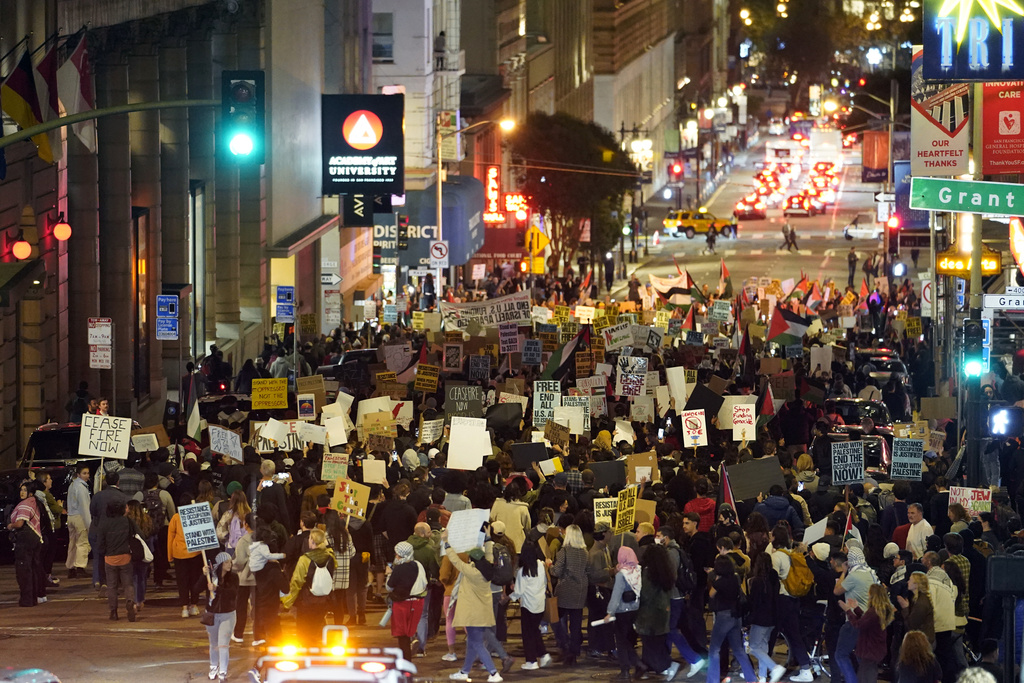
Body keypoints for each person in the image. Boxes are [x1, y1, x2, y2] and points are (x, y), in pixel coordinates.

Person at [441, 530, 503, 683]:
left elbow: (455, 561)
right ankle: (464, 671)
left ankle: (494, 673)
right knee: (471, 644)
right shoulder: (486, 569)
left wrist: (446, 542)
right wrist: (488, 537)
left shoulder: (472, 571)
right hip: (482, 613)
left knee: (476, 644)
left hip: (472, 614)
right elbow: (488, 553)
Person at [281, 528, 336, 646]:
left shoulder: (305, 559)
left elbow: (297, 581)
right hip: (324, 600)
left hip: (306, 601)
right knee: (317, 630)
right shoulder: (330, 557)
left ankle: (307, 657)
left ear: (312, 541)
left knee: (304, 634)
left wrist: (288, 600)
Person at [705, 555, 755, 683]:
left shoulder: (719, 581)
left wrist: (713, 578)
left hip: (723, 616)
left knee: (714, 649)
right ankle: (751, 677)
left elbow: (711, 594)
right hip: (735, 616)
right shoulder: (735, 578)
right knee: (738, 649)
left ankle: (712, 680)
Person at [636, 543, 678, 680]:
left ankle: (663, 665)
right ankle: (648, 668)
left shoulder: (649, 572)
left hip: (649, 613)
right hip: (663, 611)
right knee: (657, 642)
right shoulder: (665, 572)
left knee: (649, 644)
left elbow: (645, 594)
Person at [95, 499, 141, 621]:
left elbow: (99, 544)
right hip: (125, 556)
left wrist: (104, 552)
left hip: (110, 558)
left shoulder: (104, 524)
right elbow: (140, 534)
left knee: (112, 586)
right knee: (128, 584)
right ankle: (130, 602)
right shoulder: (127, 521)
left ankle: (113, 612)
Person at [550, 524, 589, 666]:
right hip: (580, 591)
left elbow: (556, 572)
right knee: (576, 623)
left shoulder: (564, 551)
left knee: (556, 619)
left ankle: (564, 646)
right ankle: (574, 651)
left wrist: (549, 566)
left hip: (566, 590)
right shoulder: (585, 552)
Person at [842, 582, 895, 683]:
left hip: (869, 648)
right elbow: (866, 621)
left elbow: (859, 625)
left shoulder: (873, 611)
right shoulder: (880, 611)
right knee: (866, 674)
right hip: (876, 648)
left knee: (865, 676)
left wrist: (848, 611)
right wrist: (856, 609)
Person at [746, 552, 785, 683]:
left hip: (760, 618)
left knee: (753, 646)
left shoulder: (757, 581)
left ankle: (774, 667)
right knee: (763, 646)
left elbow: (754, 602)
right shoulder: (775, 579)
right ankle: (762, 676)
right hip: (773, 617)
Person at [7, 480, 46, 607]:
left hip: (25, 538)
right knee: (33, 568)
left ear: (30, 493)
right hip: (35, 538)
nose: (22, 492)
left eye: (25, 490)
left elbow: (19, 523)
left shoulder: (25, 504)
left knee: (24, 570)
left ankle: (27, 599)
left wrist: (10, 525)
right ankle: (33, 597)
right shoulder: (34, 502)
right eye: (21, 490)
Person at [605, 546, 642, 679]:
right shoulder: (637, 570)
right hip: (634, 609)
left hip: (622, 610)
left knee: (621, 641)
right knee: (627, 639)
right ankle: (638, 663)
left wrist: (610, 612)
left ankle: (625, 671)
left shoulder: (622, 574)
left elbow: (616, 594)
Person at [387, 540, 428, 660]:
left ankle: (406, 658)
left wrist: (389, 574)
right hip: (418, 602)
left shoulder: (399, 569)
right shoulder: (418, 565)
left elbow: (389, 587)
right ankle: (416, 642)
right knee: (411, 628)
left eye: (397, 554)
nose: (395, 556)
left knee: (402, 634)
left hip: (402, 603)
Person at [202, 551, 239, 682]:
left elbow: (233, 593)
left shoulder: (233, 577)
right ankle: (213, 667)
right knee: (213, 644)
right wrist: (204, 575)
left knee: (223, 644)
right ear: (220, 564)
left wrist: (217, 589)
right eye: (227, 562)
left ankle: (223, 670)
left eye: (230, 562)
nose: (230, 564)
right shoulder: (210, 577)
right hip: (212, 614)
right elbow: (196, 589)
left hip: (227, 615)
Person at [168, 493, 204, 618]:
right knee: (195, 580)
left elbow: (170, 537)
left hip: (179, 553)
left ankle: (184, 607)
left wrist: (170, 555)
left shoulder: (176, 518)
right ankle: (194, 605)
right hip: (195, 552)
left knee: (182, 581)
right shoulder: (196, 516)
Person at [125, 500, 154, 611]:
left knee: (133, 577)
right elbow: (151, 531)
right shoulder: (146, 519)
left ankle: (135, 599)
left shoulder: (128, 521)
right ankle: (140, 599)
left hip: (133, 551)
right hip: (146, 550)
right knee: (142, 577)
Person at [66, 464, 92, 579]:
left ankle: (71, 567)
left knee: (72, 543)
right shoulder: (81, 488)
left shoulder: (72, 485)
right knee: (82, 542)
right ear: (78, 474)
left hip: (71, 516)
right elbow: (84, 507)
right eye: (84, 473)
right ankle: (80, 567)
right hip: (79, 517)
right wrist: (89, 524)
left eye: (87, 473)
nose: (87, 476)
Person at [898, 572, 936, 644]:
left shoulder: (921, 603)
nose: (907, 582)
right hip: (923, 639)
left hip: (923, 642)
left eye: (910, 580)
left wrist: (905, 608)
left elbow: (912, 625)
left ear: (916, 584)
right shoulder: (919, 599)